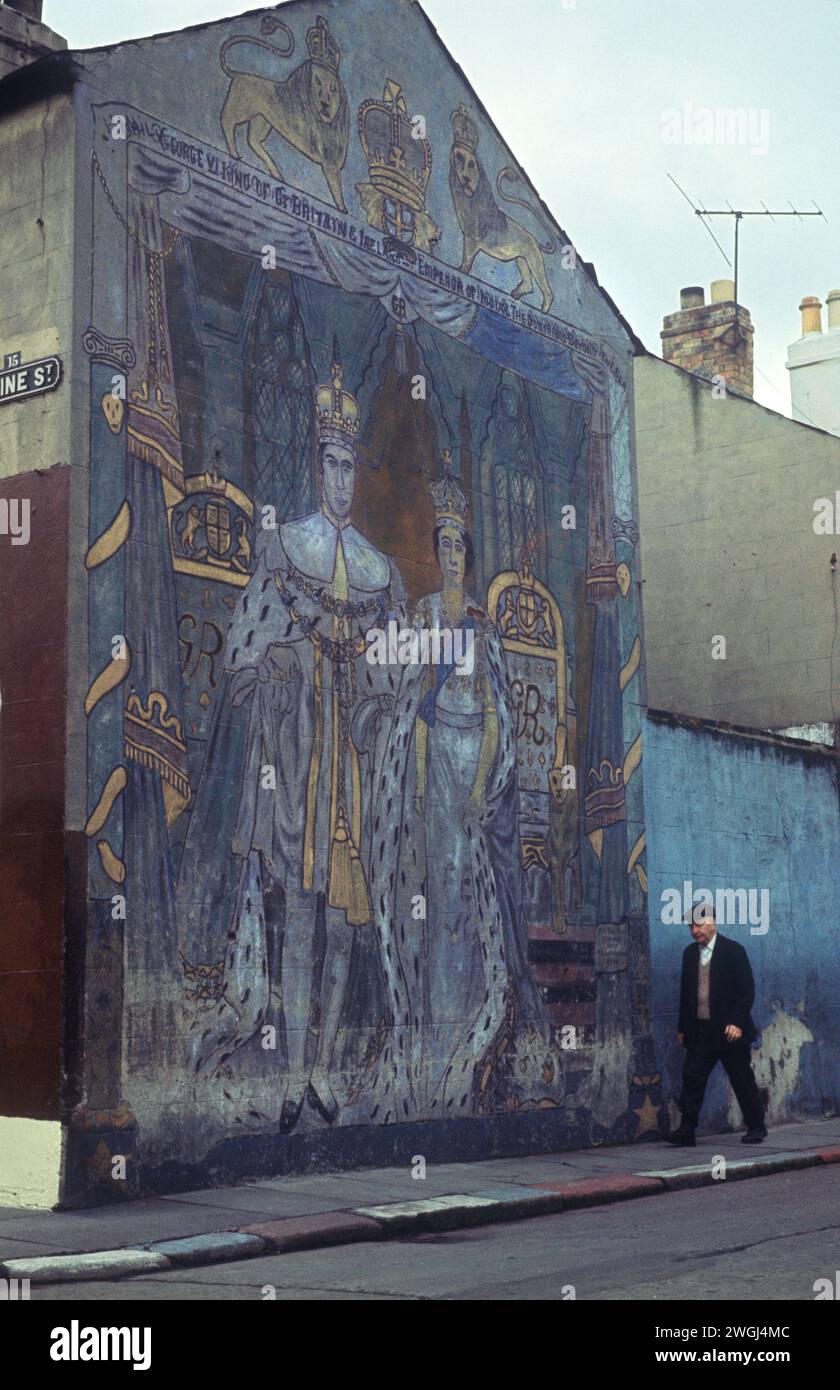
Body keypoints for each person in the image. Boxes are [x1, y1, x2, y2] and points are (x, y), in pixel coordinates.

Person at [194, 346, 404, 1132]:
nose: (341, 479)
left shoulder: (380, 572)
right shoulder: (286, 552)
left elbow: (396, 677)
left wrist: (381, 702)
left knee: (346, 922)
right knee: (299, 915)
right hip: (298, 766)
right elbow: (242, 656)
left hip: (349, 768)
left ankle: (317, 1074)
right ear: (316, 467)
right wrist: (288, 663)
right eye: (331, 464)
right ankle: (288, 1077)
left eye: (351, 466)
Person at [368, 454, 558, 1117]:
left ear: (468, 555)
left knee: (466, 901)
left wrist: (480, 791)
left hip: (469, 768)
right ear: (435, 550)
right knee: (430, 899)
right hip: (431, 768)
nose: (450, 554)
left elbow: (495, 719)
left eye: (459, 545)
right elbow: (415, 708)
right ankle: (428, 1029)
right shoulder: (423, 619)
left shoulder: (480, 623)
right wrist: (418, 791)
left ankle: (474, 1030)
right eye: (442, 543)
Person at [666, 907, 766, 1146]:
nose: (694, 930)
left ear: (713, 922)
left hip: (729, 1032)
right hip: (701, 1032)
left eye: (698, 925)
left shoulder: (733, 951)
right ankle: (687, 1131)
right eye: (690, 926)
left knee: (741, 1079)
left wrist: (737, 1023)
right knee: (692, 1078)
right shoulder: (689, 954)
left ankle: (756, 1127)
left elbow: (746, 991)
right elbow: (686, 995)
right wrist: (683, 1029)